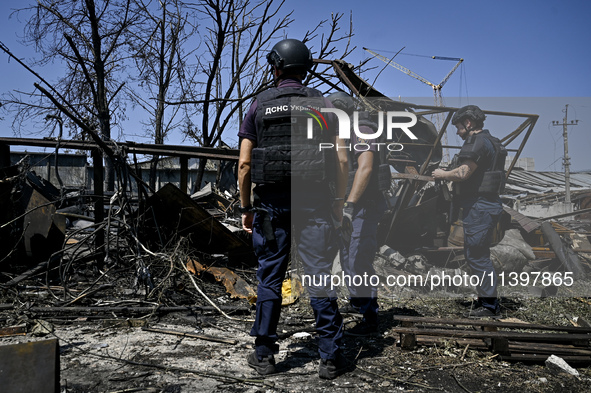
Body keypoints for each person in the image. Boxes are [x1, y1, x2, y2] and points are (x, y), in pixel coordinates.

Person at [238, 38, 349, 379]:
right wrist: (337, 203)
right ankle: (330, 358)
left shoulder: (258, 105)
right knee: (318, 275)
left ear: (277, 68)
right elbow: (342, 157)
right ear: (305, 70)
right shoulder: (324, 104)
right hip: (315, 202)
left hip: (271, 206)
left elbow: (244, 165)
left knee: (270, 278)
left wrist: (246, 207)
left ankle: (264, 356)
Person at [432, 105, 507, 318]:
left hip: (480, 206)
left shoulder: (477, 142)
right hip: (486, 205)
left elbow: (464, 173)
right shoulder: (493, 141)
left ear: (468, 123)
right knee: (477, 254)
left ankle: (490, 307)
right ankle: (485, 300)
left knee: (477, 255)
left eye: (458, 127)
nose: (457, 132)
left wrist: (442, 174)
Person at [327, 92, 388, 336]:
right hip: (350, 206)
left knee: (357, 260)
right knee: (347, 255)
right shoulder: (345, 131)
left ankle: (369, 316)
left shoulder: (362, 127)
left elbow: (366, 167)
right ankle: (357, 301)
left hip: (363, 205)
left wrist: (349, 204)